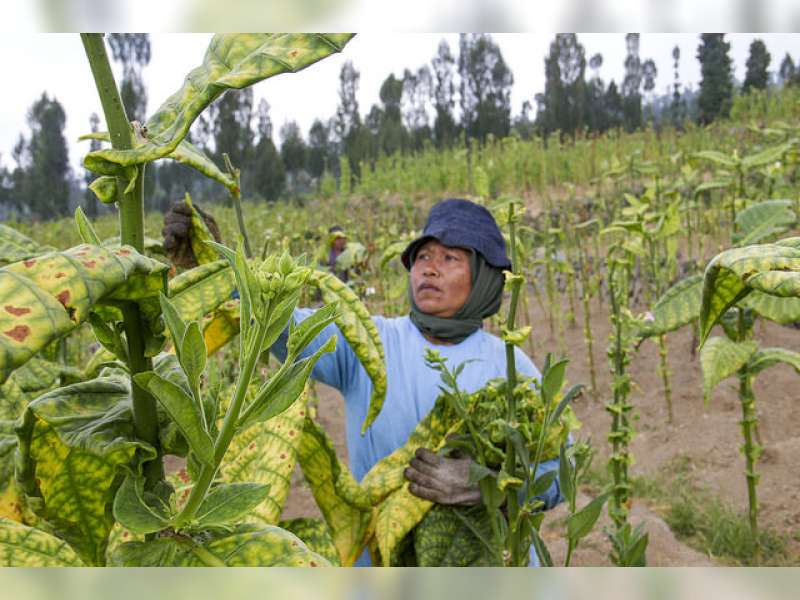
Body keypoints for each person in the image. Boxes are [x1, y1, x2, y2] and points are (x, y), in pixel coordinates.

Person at [269, 198, 564, 566]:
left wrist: (487, 485)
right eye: (423, 257)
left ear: (484, 277)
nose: (430, 269)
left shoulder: (512, 367)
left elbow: (557, 475)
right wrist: (213, 265)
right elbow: (276, 323)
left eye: (449, 259)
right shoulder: (368, 342)